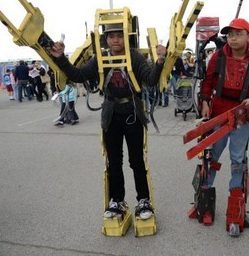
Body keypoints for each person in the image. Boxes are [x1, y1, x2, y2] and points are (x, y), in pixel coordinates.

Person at [48, 23, 166, 220]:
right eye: (111, 36)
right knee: (113, 161)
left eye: (120, 36)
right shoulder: (100, 59)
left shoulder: (135, 56)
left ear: (126, 38)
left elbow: (150, 80)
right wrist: (60, 58)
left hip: (133, 112)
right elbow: (78, 75)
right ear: (106, 40)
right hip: (111, 113)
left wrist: (160, 60)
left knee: (137, 160)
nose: (116, 40)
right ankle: (117, 200)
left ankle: (143, 200)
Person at [200, 18, 249, 228]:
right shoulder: (218, 57)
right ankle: (204, 206)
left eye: (238, 34)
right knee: (210, 158)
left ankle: (235, 208)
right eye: (230, 34)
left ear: (248, 37)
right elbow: (207, 81)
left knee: (238, 161)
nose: (233, 38)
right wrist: (204, 101)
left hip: (240, 118)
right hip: (218, 115)